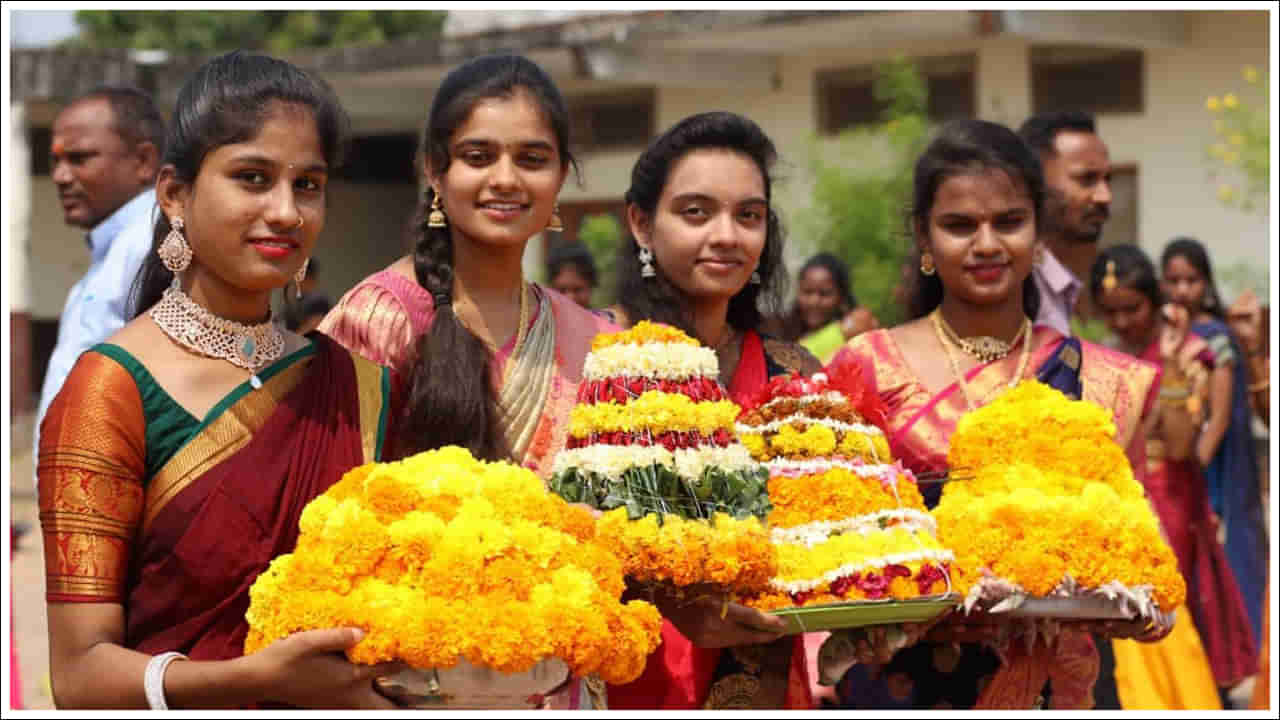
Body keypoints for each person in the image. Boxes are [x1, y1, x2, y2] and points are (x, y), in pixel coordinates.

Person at [37, 51, 399, 709]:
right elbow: (80, 677)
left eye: (309, 184)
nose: (287, 211)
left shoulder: (356, 386)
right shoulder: (111, 390)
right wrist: (253, 680)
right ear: (174, 196)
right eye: (252, 177)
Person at [831, 119, 1169, 709]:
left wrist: (1142, 607)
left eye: (1008, 222)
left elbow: (1137, 547)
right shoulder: (866, 367)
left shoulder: (1103, 379)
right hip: (905, 684)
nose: (986, 244)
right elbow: (829, 542)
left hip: (1057, 685)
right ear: (924, 238)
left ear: (1039, 233)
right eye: (960, 225)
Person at [317, 54, 615, 708]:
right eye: (478, 156)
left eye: (532, 159)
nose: (504, 179)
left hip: (560, 682)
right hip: (413, 684)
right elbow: (329, 531)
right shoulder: (378, 320)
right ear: (434, 170)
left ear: (562, 177)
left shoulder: (594, 339)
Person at [603, 111, 864, 710]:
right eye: (696, 213)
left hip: (763, 682)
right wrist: (672, 597)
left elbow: (835, 531)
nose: (727, 235)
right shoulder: (594, 357)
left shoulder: (795, 376)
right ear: (641, 223)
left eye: (748, 216)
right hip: (623, 678)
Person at [1090, 244, 1256, 705]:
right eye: (1111, 312)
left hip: (1174, 496)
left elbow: (1185, 443)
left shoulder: (1190, 351)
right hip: (1126, 499)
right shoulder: (1108, 358)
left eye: (1132, 309)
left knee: (1179, 604)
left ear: (1154, 299)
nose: (1122, 321)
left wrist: (1171, 362)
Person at [34, 86, 165, 476]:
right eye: (55, 161)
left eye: (79, 159)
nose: (60, 176)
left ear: (143, 161)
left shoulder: (153, 246)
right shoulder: (114, 252)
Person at [1161, 238, 1268, 655]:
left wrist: (1190, 471)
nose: (1182, 289)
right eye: (1173, 280)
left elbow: (1219, 419)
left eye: (1191, 279)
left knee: (1226, 563)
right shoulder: (1166, 334)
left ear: (1205, 282)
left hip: (1213, 469)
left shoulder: (1217, 336)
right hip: (1178, 456)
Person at [1017, 110, 1112, 336]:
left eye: (1107, 180)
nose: (1105, 196)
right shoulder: (1008, 286)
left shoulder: (1061, 287)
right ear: (1035, 180)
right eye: (1087, 179)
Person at [775, 253, 878, 364]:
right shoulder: (779, 328)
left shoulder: (858, 328)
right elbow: (787, 364)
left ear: (842, 297)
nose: (814, 301)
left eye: (824, 294)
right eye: (807, 292)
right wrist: (842, 332)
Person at [545, 242, 598, 309]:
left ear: (590, 287)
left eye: (577, 290)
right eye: (562, 290)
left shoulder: (602, 319)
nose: (570, 298)